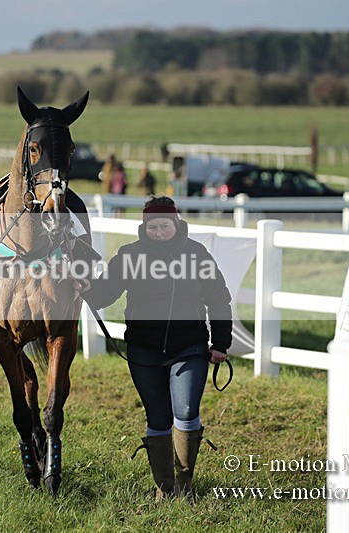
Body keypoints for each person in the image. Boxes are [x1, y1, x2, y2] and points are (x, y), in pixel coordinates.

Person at [83, 195, 232, 500]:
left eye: (165, 225)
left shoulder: (197, 255)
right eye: (153, 226)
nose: (159, 231)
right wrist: (85, 287)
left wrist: (220, 343)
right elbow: (103, 295)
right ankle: (164, 489)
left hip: (189, 347)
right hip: (144, 349)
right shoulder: (128, 257)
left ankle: (185, 485)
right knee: (158, 418)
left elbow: (218, 298)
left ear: (176, 224)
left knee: (187, 411)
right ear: (144, 226)